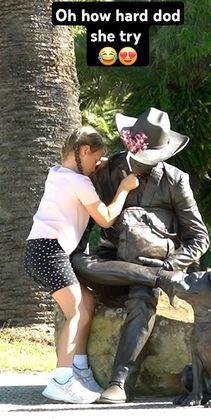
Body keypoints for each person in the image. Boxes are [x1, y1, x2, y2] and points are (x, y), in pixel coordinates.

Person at [71, 107, 210, 403]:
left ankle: (120, 382)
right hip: (112, 265)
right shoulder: (107, 172)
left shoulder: (174, 180)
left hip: (156, 265)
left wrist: (171, 265)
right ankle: (157, 279)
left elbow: (199, 237)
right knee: (77, 261)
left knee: (142, 294)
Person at [24, 126, 139, 404]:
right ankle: (61, 380)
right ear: (84, 151)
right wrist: (123, 189)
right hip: (49, 250)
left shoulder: (58, 173)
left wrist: (94, 166)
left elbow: (79, 185)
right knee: (75, 310)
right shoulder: (79, 182)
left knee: (85, 303)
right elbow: (107, 218)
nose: (96, 165)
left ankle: (79, 368)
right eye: (95, 157)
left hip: (40, 250)